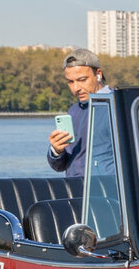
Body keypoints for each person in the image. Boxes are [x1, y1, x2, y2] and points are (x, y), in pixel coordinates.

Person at [47, 48, 109, 178]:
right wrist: (57, 151)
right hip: (75, 190)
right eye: (71, 82)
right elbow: (60, 166)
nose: (76, 88)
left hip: (107, 191)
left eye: (82, 80)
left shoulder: (117, 105)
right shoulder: (74, 111)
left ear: (98, 74)